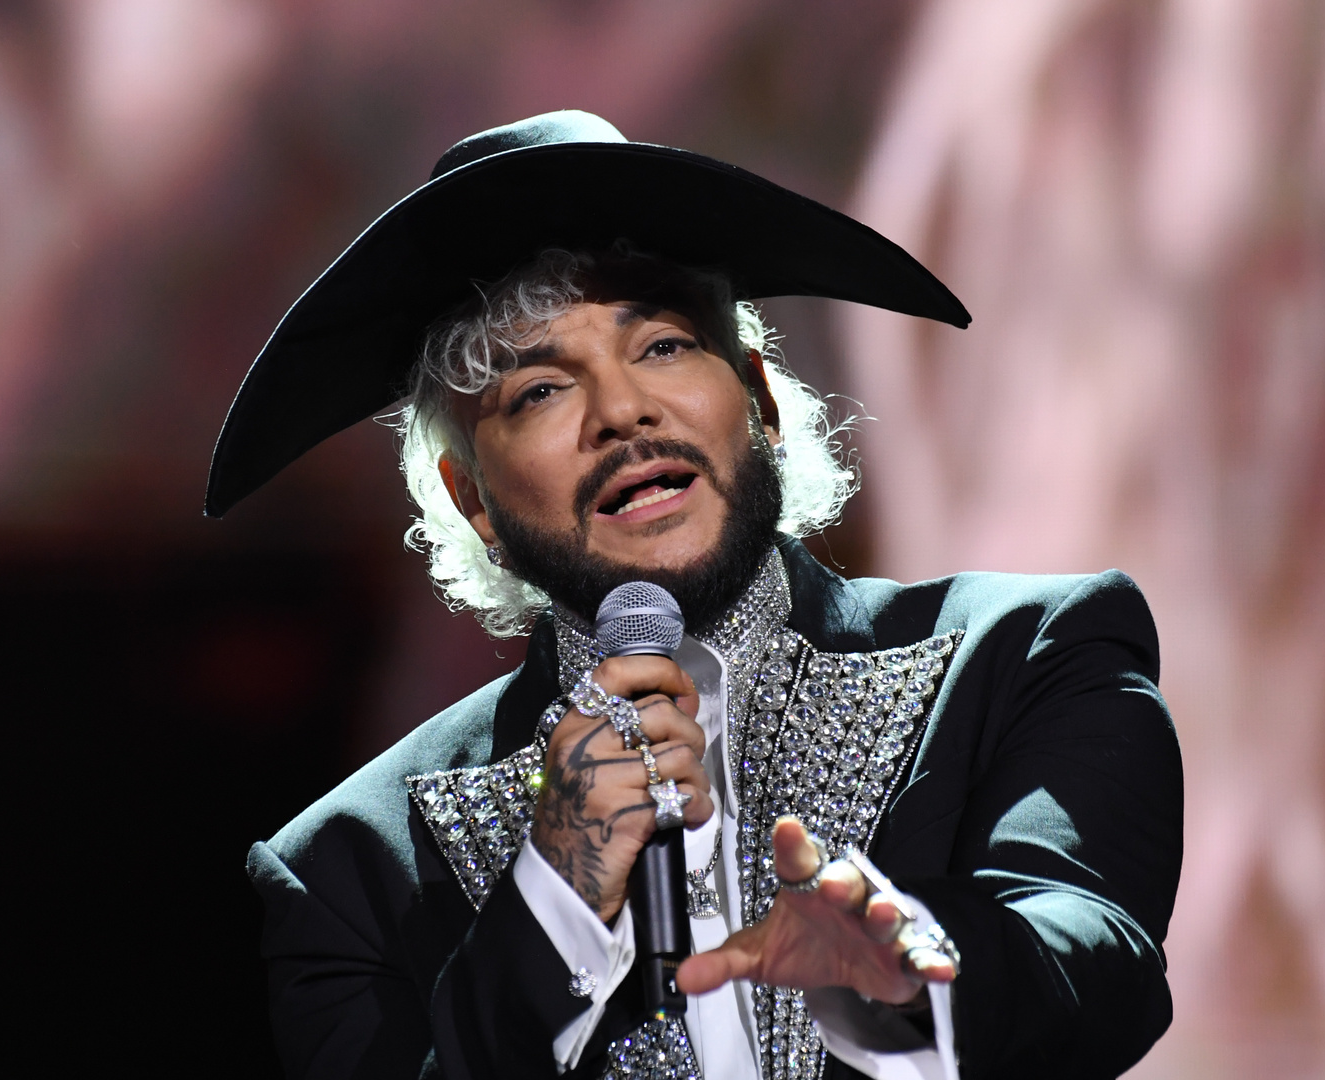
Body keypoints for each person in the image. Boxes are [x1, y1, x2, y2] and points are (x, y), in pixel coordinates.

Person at [210, 111, 1182, 1080]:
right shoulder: (350, 868)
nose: (622, 410)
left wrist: (908, 972)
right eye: (539, 391)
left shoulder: (1022, 655)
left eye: (664, 346)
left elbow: (1096, 960)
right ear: (474, 503)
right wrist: (553, 897)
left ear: (759, 398)